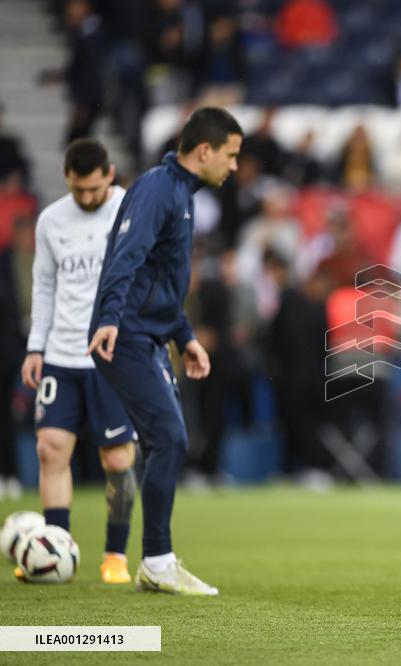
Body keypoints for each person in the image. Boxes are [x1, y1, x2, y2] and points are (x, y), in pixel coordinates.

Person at [87, 107, 242, 595]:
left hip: (149, 334)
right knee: (170, 438)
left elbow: (162, 283)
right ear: (204, 151)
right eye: (231, 155)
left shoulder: (181, 194)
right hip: (126, 335)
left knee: (168, 440)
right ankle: (156, 560)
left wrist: (184, 335)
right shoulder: (159, 189)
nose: (234, 166)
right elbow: (126, 258)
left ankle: (156, 559)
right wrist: (110, 318)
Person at [18, 139, 136, 584]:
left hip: (111, 355)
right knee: (50, 450)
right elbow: (44, 286)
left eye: (93, 189)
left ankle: (115, 556)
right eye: (77, 190)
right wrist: (36, 347)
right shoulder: (51, 220)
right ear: (68, 179)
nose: (85, 198)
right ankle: (57, 552)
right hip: (62, 356)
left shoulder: (130, 210)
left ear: (109, 173)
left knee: (118, 460)